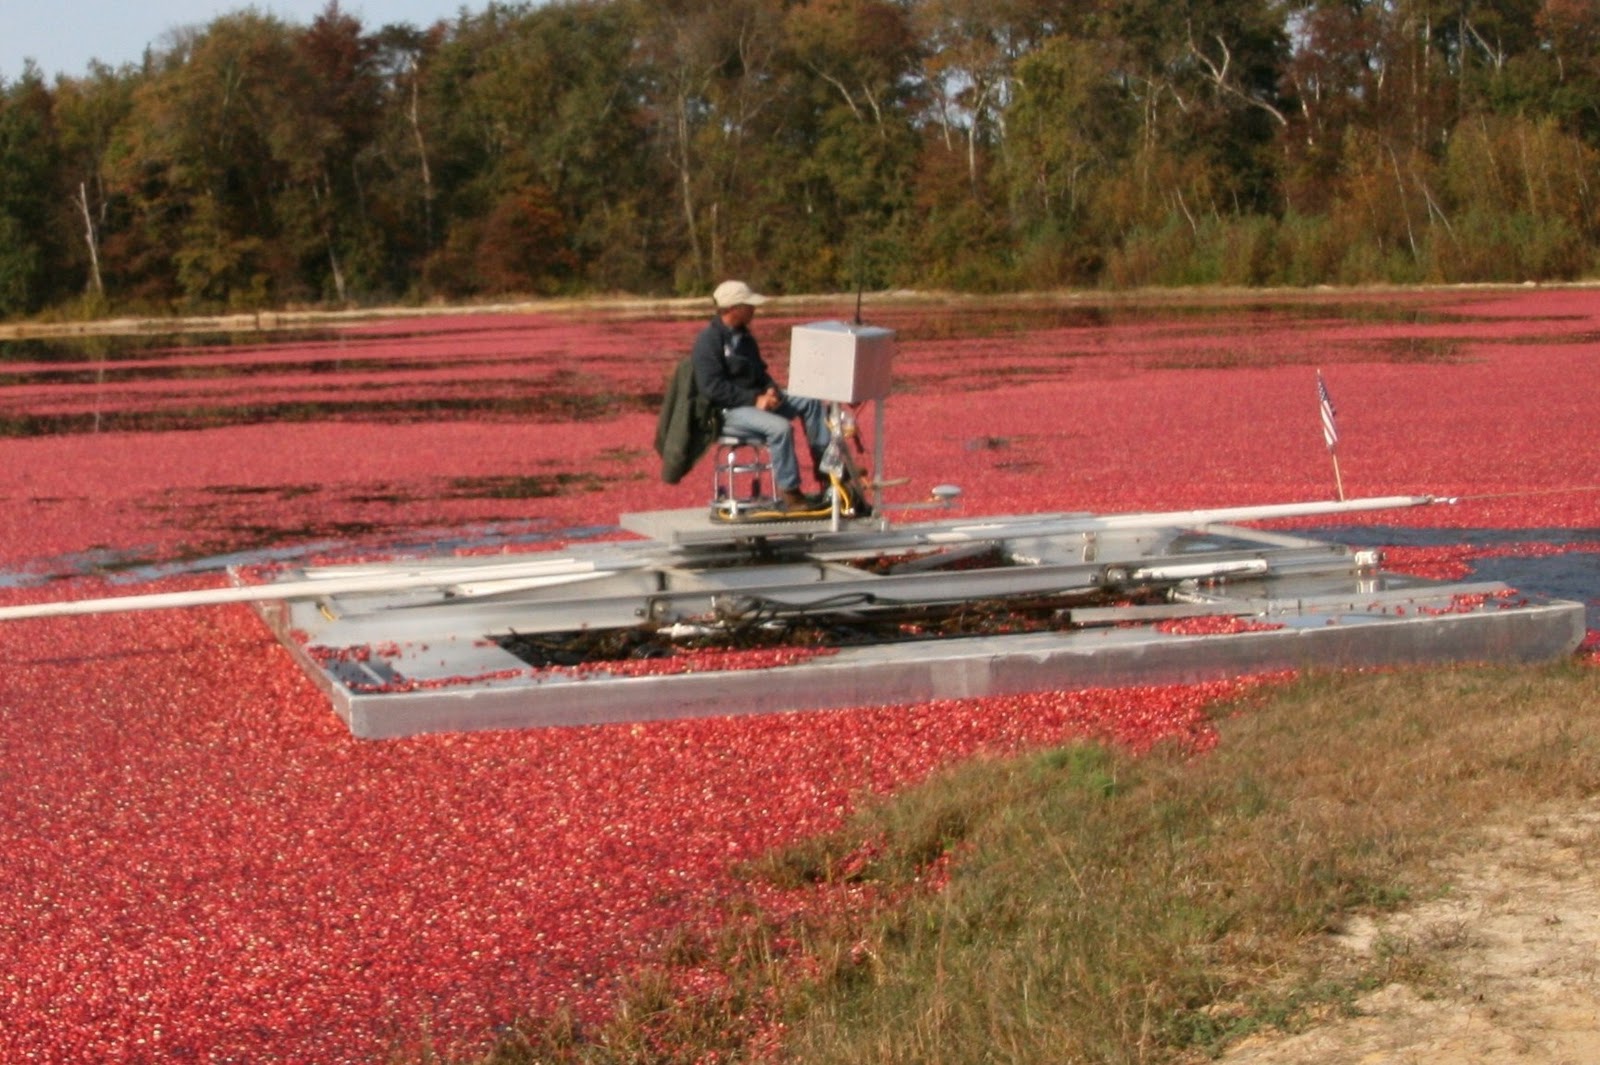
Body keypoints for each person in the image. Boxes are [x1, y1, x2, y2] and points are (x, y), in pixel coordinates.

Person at [691, 280, 832, 510]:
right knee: (780, 428)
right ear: (732, 308)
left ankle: (827, 471)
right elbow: (712, 389)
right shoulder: (708, 341)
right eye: (749, 305)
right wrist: (754, 400)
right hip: (725, 412)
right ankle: (791, 492)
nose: (754, 309)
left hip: (756, 401)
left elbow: (761, 372)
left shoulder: (745, 338)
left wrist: (771, 390)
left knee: (810, 401)